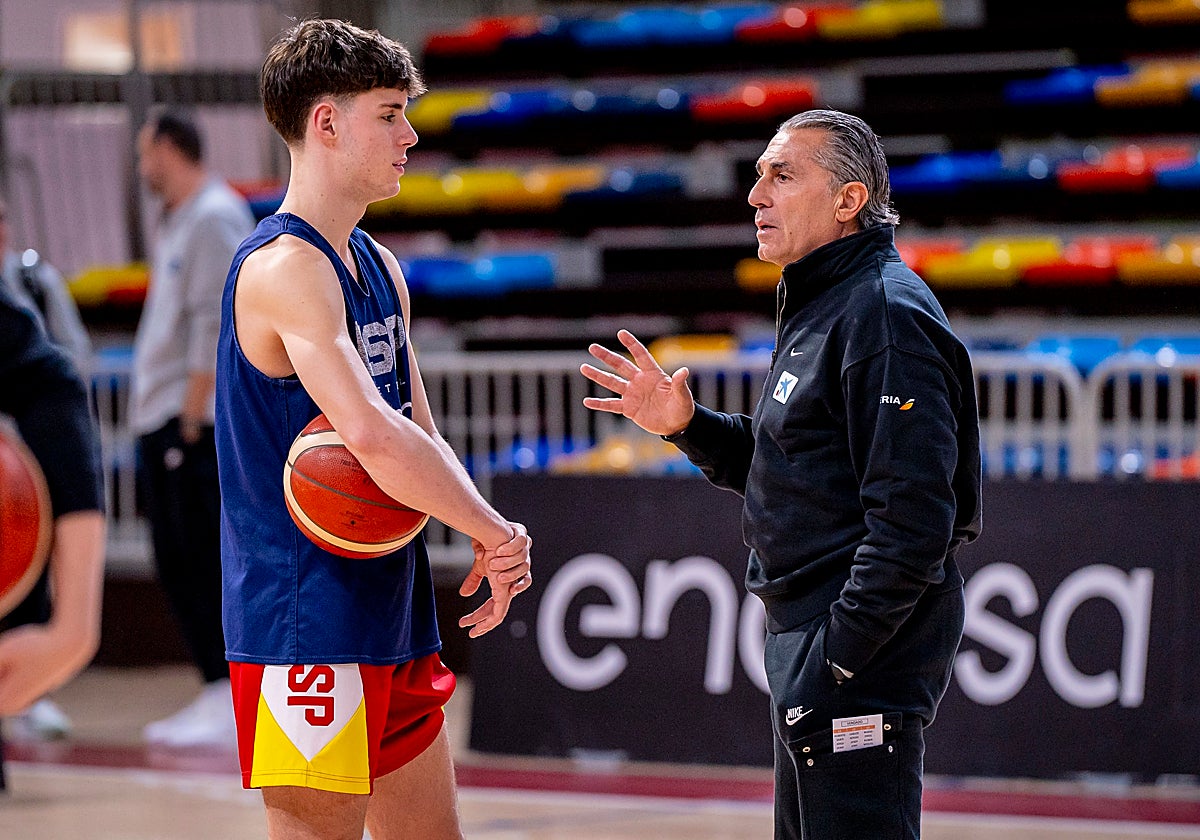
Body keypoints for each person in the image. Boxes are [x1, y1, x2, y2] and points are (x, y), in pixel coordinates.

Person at [581, 109, 982, 840]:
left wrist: (838, 658)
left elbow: (916, 522)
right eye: (760, 174)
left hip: (858, 648)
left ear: (848, 200)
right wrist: (686, 426)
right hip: (811, 635)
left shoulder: (887, 316)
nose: (754, 195)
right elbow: (797, 467)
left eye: (782, 175)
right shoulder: (822, 300)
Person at [215, 19, 532, 839]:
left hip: (390, 604)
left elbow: (421, 432)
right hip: (303, 622)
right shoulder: (284, 270)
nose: (410, 133)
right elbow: (372, 439)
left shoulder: (380, 266)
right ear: (327, 122)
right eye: (389, 113)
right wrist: (495, 534)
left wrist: (479, 536)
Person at [130, 106, 256, 747]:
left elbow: (215, 323)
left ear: (170, 148)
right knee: (176, 559)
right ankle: (214, 689)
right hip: (164, 419)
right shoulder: (179, 218)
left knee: (204, 558)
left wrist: (189, 418)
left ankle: (228, 692)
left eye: (144, 151)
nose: (140, 166)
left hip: (192, 426)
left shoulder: (213, 215)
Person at [0, 194, 94, 740]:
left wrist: (73, 630)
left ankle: (38, 696)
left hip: (25, 462)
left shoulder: (34, 281)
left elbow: (61, 373)